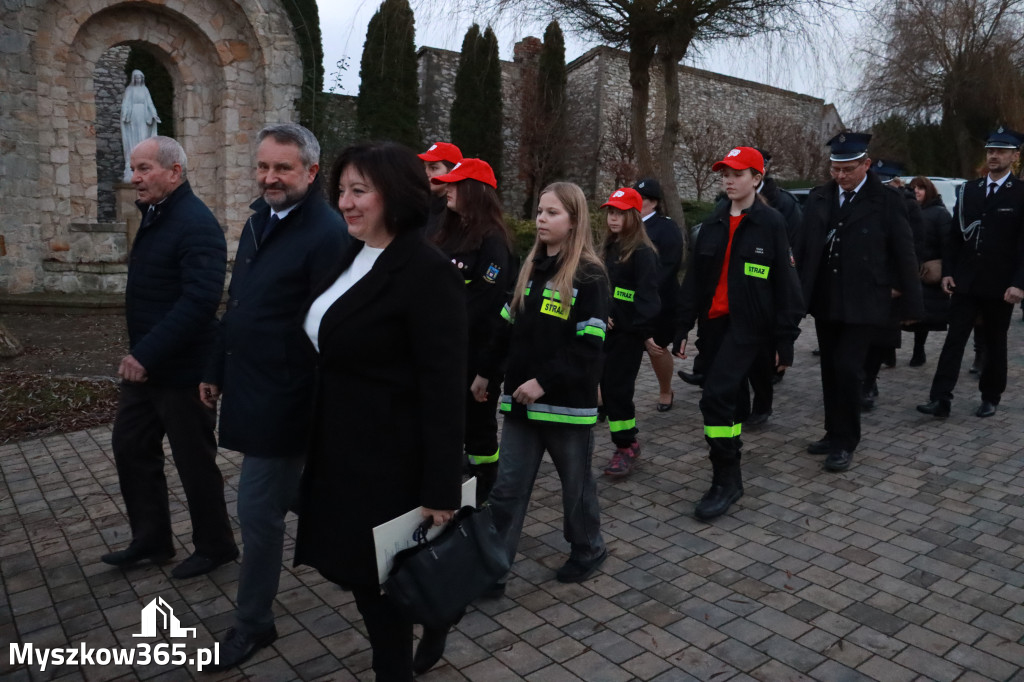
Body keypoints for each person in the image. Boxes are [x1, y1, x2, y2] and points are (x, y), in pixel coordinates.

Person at [294, 142, 467, 682]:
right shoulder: (350, 253)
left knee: (381, 588)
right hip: (341, 452)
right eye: (342, 190)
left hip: (394, 463)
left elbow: (444, 388)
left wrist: (441, 486)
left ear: (394, 195)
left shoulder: (426, 272)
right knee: (361, 576)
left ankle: (398, 664)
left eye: (359, 191)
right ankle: (435, 615)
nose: (345, 202)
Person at [202, 123, 349, 670]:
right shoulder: (259, 219)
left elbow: (330, 333)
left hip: (288, 399)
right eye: (263, 166)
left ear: (311, 171)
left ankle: (253, 623)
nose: (269, 177)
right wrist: (216, 366)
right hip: (251, 386)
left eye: (282, 168)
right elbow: (239, 302)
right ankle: (374, 545)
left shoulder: (328, 234)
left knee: (257, 510)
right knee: (305, 500)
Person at [101, 136, 237, 579]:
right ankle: (152, 539)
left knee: (194, 462)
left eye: (144, 169)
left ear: (174, 172)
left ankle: (216, 546)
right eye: (133, 169)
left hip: (184, 371)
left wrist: (145, 353)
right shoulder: (157, 215)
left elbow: (200, 302)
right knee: (131, 448)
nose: (134, 178)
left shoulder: (195, 224)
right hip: (147, 373)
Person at [476, 182, 609, 593]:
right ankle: (493, 568)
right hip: (520, 405)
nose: (540, 220)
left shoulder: (589, 275)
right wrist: (485, 372)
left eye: (552, 213)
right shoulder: (529, 268)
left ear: (574, 220)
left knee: (575, 489)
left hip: (566, 408)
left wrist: (543, 382)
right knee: (507, 490)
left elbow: (589, 347)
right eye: (539, 212)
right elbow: (504, 328)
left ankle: (588, 548)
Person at [673, 147, 803, 519]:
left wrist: (785, 341)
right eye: (725, 174)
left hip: (748, 330)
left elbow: (787, 287)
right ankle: (729, 475)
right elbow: (694, 282)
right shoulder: (714, 222)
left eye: (737, 174)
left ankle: (725, 479)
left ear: (757, 178)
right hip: (714, 328)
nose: (729, 181)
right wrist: (682, 326)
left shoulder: (771, 223)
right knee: (723, 403)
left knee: (715, 398)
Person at [799, 132, 922, 473]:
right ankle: (831, 431)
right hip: (826, 298)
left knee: (848, 369)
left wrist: (908, 299)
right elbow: (804, 246)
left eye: (848, 169)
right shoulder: (820, 196)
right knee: (829, 369)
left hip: (865, 299)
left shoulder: (887, 200)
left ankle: (845, 441)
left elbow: (904, 250)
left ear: (866, 165)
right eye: (835, 169)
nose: (840, 175)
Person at [918, 127, 1024, 419]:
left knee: (995, 342)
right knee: (954, 340)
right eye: (991, 150)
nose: (994, 156)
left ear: (1015, 157)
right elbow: (954, 237)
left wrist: (1019, 283)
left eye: (1001, 151)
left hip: (1000, 284)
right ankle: (940, 398)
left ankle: (990, 396)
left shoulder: (1020, 193)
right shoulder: (969, 190)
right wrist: (948, 272)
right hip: (966, 281)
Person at [429, 157, 514, 505]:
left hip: (476, 354)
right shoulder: (448, 230)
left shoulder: (493, 240)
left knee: (478, 426)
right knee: (448, 421)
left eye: (456, 184)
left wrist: (485, 370)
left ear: (475, 191)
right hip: (445, 350)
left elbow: (485, 305)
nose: (448, 189)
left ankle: (484, 489)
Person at [597, 187, 661, 477]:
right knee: (605, 388)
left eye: (620, 213)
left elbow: (648, 298)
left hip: (627, 336)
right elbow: (601, 288)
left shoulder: (643, 253)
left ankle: (626, 445)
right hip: (603, 332)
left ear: (633, 217)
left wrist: (638, 330)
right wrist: (602, 312)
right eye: (611, 212)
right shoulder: (608, 248)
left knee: (618, 391)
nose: (613, 218)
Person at [859, 160, 925, 410]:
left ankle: (868, 381)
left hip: (890, 283)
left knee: (880, 337)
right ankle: (861, 380)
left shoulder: (907, 205)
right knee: (861, 336)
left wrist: (900, 284)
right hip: (864, 280)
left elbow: (913, 248)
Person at [746, 148, 804, 425]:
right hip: (742, 289)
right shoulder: (730, 202)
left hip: (771, 287)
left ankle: (762, 405)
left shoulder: (783, 203)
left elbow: (793, 247)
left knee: (763, 354)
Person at [633, 178, 684, 410]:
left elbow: (670, 264)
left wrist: (646, 290)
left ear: (653, 202)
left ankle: (665, 390)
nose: (636, 203)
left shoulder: (666, 227)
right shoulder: (627, 224)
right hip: (628, 299)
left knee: (656, 348)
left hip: (659, 300)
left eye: (641, 199)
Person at [906, 176, 952, 367]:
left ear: (929, 190)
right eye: (913, 188)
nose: (916, 191)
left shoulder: (939, 213)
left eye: (921, 188)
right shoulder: (904, 210)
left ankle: (919, 350)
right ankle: (888, 351)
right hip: (906, 269)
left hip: (927, 271)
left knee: (922, 316)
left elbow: (947, 244)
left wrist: (945, 270)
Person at [120, 70, 161, 182]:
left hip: (143, 115)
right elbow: (125, 103)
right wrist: (125, 114)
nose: (138, 79)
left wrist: (154, 114)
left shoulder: (145, 89)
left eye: (140, 77)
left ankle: (144, 160)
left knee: (143, 137)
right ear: (134, 78)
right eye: (136, 77)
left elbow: (150, 103)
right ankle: (132, 163)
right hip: (133, 115)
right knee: (133, 139)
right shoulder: (130, 89)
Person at [418, 141, 463, 238]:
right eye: (424, 168)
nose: (426, 173)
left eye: (433, 168)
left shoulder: (461, 212)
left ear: (452, 172)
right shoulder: (421, 206)